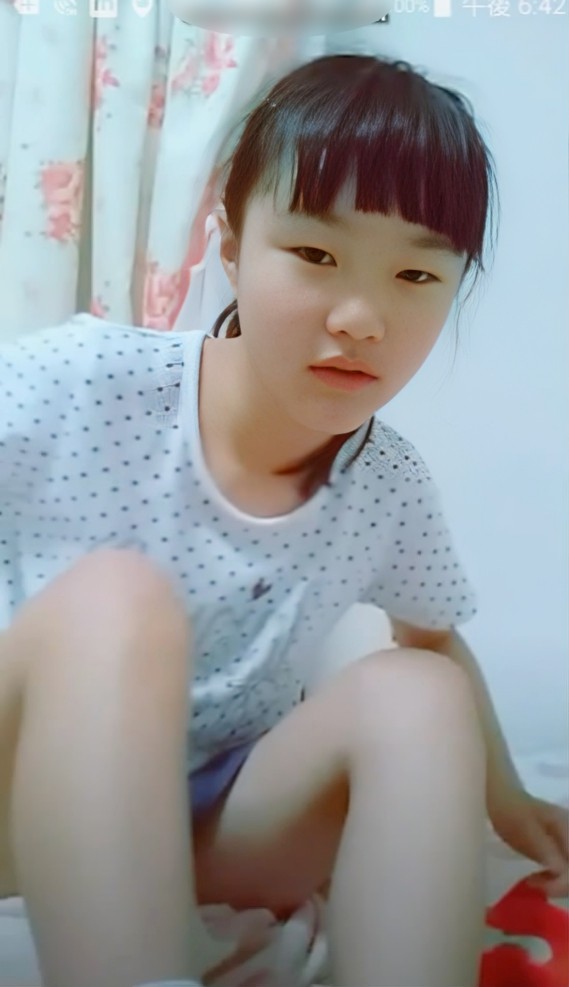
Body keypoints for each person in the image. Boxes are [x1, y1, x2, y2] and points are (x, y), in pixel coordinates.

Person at [0, 53, 567, 987]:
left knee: (420, 693)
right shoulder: (85, 383)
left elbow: (432, 636)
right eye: (314, 255)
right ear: (229, 242)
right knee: (116, 599)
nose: (361, 317)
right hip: (20, 806)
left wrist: (507, 803)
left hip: (206, 829)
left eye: (415, 275)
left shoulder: (385, 484)